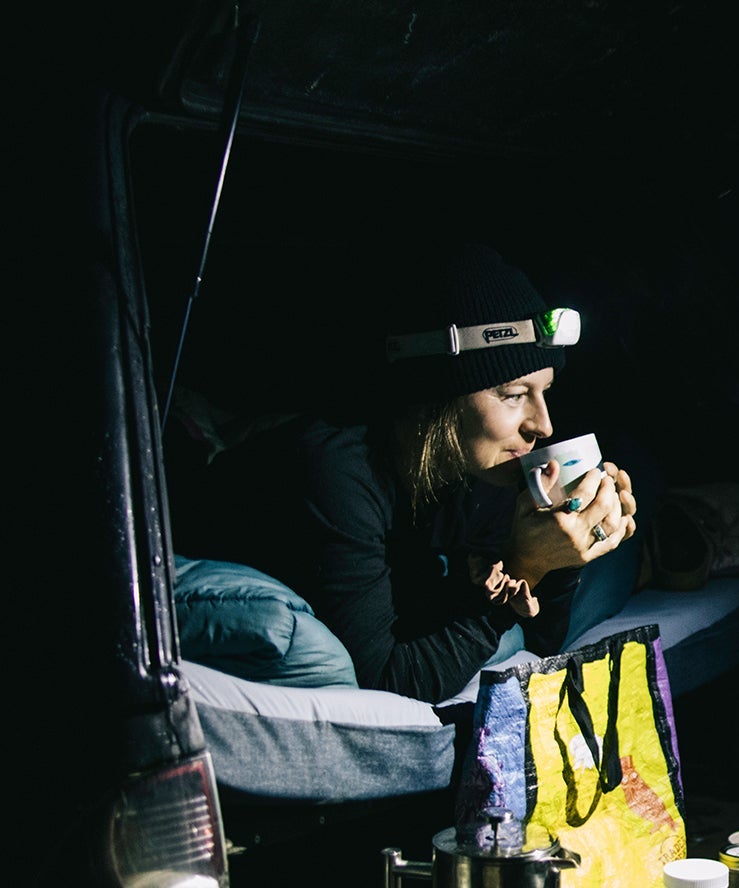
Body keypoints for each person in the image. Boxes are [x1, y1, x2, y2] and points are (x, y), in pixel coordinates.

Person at [169, 243, 647, 702]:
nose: (543, 424)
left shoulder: (479, 472)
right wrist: (527, 567)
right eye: (514, 393)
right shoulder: (335, 472)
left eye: (544, 390)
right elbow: (384, 682)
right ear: (438, 395)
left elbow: (542, 640)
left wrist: (562, 556)